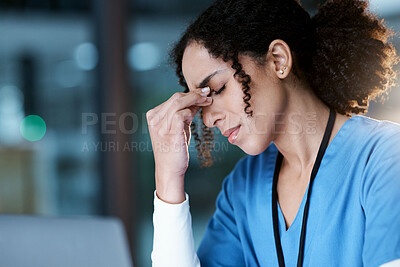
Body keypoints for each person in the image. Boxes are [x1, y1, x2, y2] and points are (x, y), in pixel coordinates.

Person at [147, 0, 400, 266]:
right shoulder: (242, 188)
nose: (209, 120)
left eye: (218, 88)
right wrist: (168, 179)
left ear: (278, 60)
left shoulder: (385, 159)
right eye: (201, 103)